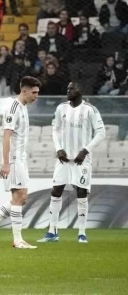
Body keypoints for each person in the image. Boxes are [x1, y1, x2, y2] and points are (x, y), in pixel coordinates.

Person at [38, 82, 106, 244]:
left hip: (81, 159)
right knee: (56, 190)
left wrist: (85, 150)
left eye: (72, 89)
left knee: (81, 193)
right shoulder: (61, 108)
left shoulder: (90, 109)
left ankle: (82, 233)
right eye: (67, 88)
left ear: (80, 91)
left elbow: (101, 132)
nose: (68, 91)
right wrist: (58, 148)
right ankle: (52, 231)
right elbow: (55, 129)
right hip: (63, 158)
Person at [0, 76, 42, 249]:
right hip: (14, 160)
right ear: (24, 91)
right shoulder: (13, 108)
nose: (36, 96)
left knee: (20, 198)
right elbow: (6, 135)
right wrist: (6, 163)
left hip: (20, 159)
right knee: (19, 196)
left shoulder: (23, 107)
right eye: (34, 92)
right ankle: (17, 240)